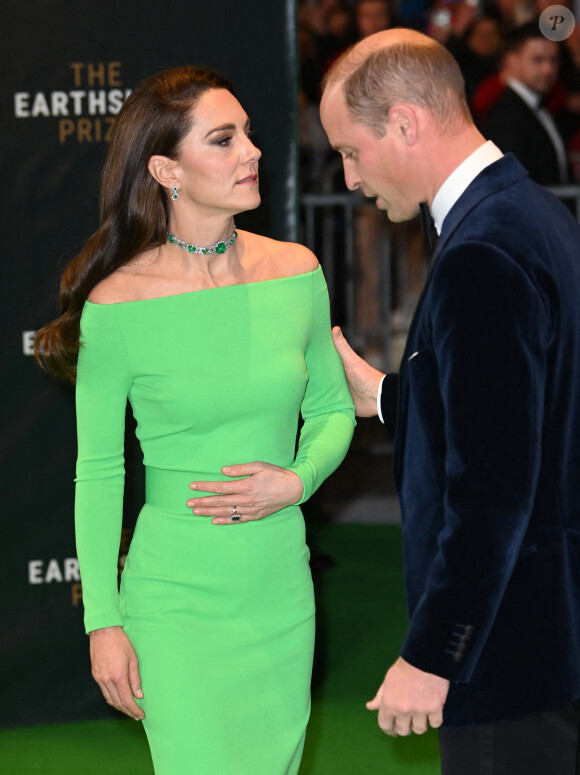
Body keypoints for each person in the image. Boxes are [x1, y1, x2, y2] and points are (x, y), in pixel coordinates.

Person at [34, 65, 355, 774]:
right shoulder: (116, 306)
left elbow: (332, 410)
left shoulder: (297, 271)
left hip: (278, 587)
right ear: (165, 169)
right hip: (175, 596)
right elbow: (99, 472)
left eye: (247, 132)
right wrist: (104, 622)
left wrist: (296, 480)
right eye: (223, 138)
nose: (252, 150)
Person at [320, 28, 580, 774]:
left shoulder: (482, 252)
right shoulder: (528, 213)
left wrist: (435, 654)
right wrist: (389, 399)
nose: (347, 178)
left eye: (351, 150)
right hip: (545, 636)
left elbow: (492, 488)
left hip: (506, 657)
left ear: (404, 123)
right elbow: (524, 413)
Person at [482, 21, 569, 185]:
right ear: (512, 60)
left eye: (553, 60)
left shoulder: (541, 108)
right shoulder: (506, 116)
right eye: (538, 60)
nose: (548, 69)